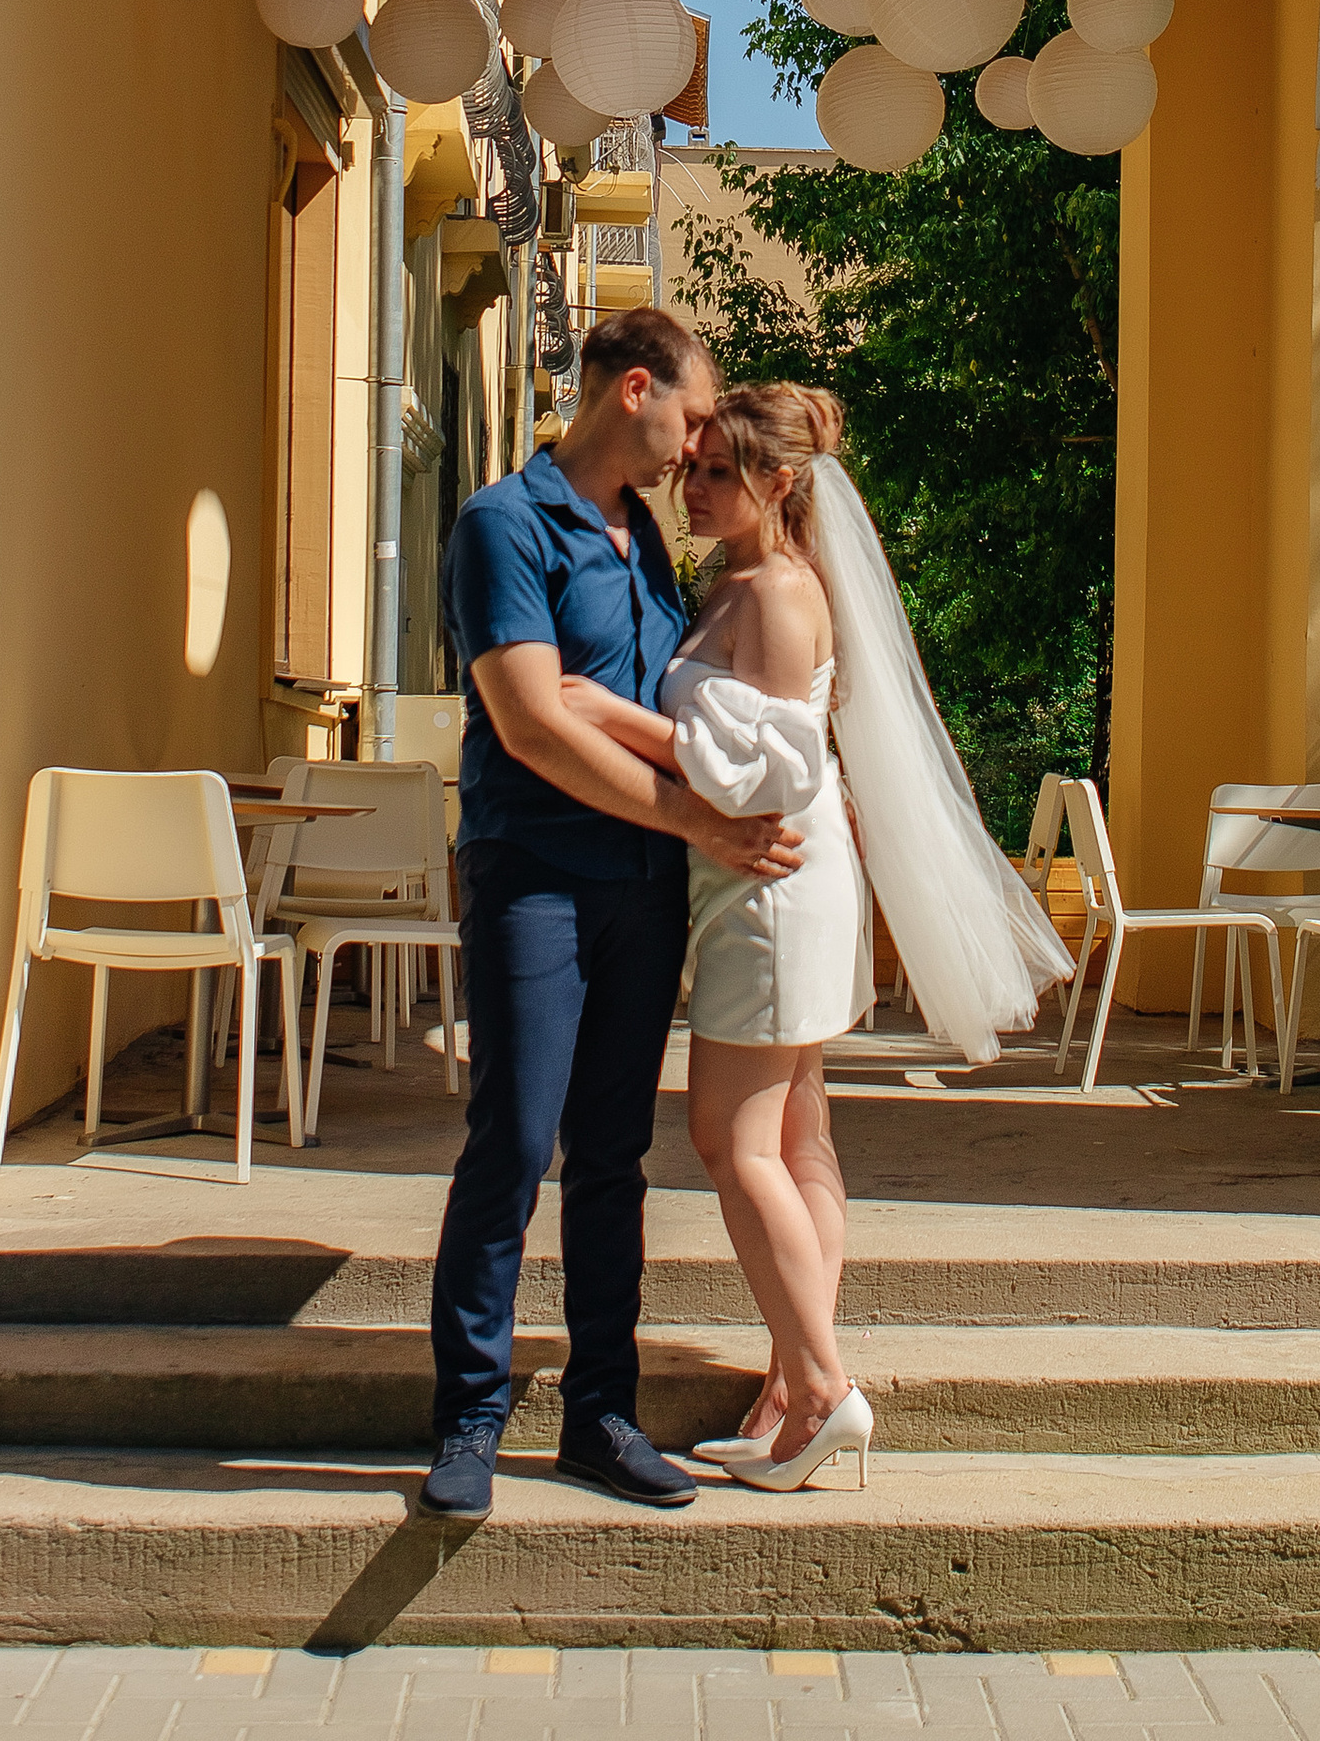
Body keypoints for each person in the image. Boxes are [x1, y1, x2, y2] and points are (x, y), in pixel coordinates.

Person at [563, 382, 1072, 1492]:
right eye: (690, 466)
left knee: (728, 1141)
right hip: (774, 877)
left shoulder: (779, 596)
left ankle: (827, 1387)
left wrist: (605, 715)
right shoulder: (737, 578)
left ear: (778, 485)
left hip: (770, 885)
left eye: (715, 472)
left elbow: (773, 769)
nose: (688, 486)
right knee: (796, 1142)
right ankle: (793, 1392)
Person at [422, 303, 800, 1522]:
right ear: (633, 390)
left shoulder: (647, 538)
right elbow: (531, 724)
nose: (699, 448)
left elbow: (693, 723)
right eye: (693, 417)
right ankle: (470, 1419)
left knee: (613, 1161)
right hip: (533, 875)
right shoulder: (502, 523)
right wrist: (702, 824)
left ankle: (600, 1416)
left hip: (643, 891)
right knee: (514, 1144)